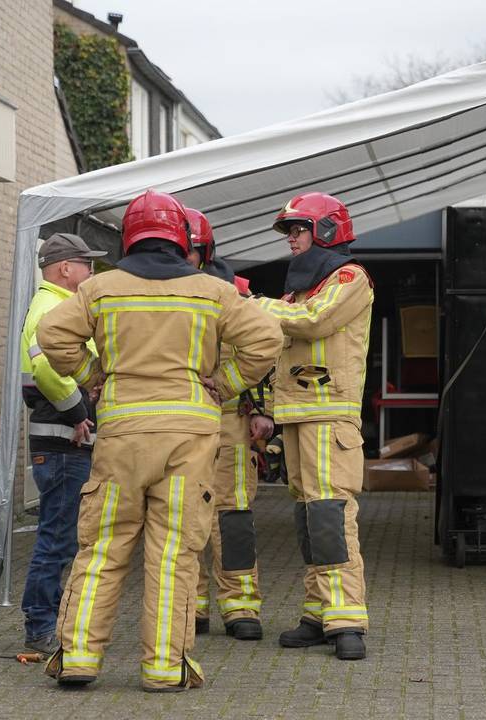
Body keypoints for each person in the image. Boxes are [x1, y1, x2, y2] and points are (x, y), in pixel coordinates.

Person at [38, 190, 283, 692]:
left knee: (103, 548)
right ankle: (165, 668)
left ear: (129, 236)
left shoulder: (101, 288)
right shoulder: (213, 291)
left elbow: (52, 335)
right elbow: (267, 339)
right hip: (188, 439)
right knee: (174, 554)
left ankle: (79, 658)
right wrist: (227, 383)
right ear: (181, 239)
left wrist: (93, 375)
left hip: (122, 437)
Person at [257, 192, 373, 661]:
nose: (291, 240)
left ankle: (346, 620)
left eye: (298, 230)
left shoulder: (349, 278)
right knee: (309, 519)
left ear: (325, 230)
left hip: (329, 415)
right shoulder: (297, 292)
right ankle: (317, 613)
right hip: (297, 416)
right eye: (289, 232)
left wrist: (254, 305)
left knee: (330, 516)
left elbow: (314, 322)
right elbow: (280, 353)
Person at [183, 208, 273, 641]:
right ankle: (191, 605)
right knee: (184, 514)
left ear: (206, 252)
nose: (181, 258)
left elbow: (265, 351)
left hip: (230, 420)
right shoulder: (161, 294)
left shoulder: (237, 294)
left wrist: (263, 409)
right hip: (181, 421)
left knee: (232, 516)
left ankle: (240, 605)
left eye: (190, 251)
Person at [18, 232, 108, 656]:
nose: (92, 271)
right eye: (87, 264)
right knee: (56, 539)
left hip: (61, 442)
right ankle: (40, 627)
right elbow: (47, 370)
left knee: (61, 538)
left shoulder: (55, 305)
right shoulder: (53, 309)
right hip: (62, 440)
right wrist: (79, 413)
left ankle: (48, 622)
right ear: (65, 268)